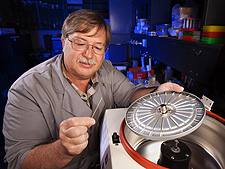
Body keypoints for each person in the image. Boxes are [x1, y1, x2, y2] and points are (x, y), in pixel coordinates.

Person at [2, 9, 184, 169]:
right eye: (80, 43)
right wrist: (62, 150)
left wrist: (155, 94)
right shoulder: (26, 90)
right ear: (64, 42)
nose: (89, 54)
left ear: (104, 51)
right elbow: (19, 161)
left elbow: (130, 94)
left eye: (97, 47)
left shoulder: (106, 69)